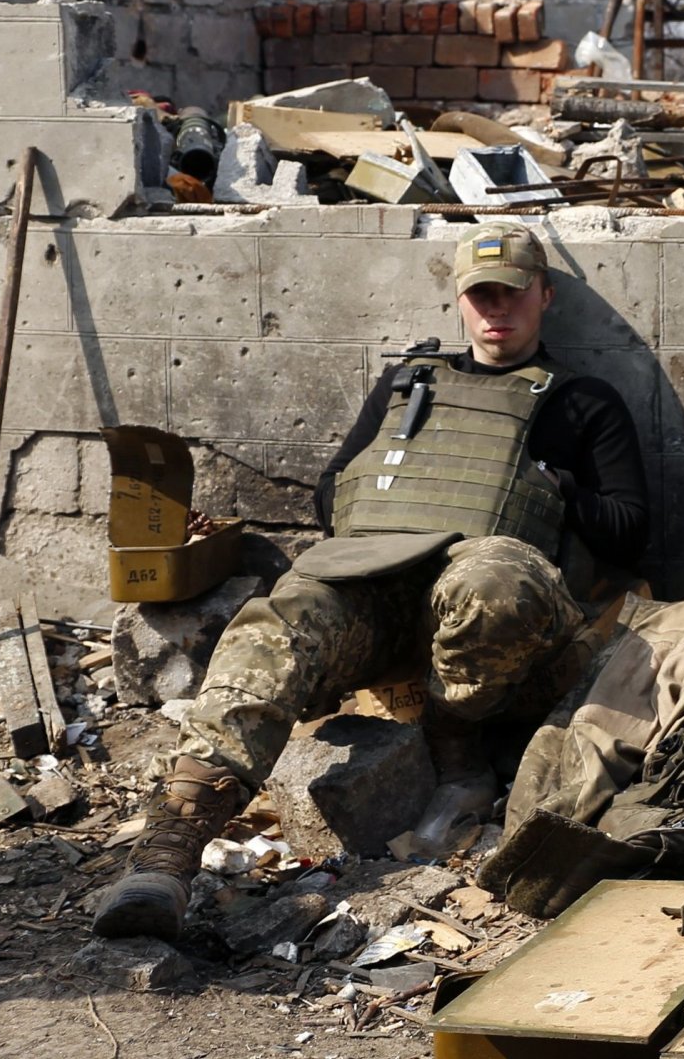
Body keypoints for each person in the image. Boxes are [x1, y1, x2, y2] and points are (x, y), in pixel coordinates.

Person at [93, 221, 651, 941]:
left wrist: (560, 489)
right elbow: (331, 493)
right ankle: (167, 853)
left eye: (512, 294)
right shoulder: (407, 383)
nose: (496, 310)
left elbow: (632, 530)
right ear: (458, 301)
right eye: (480, 295)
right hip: (377, 586)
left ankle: (458, 752)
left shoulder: (582, 401)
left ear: (544, 296)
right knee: (278, 621)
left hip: (497, 611)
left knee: (493, 581)